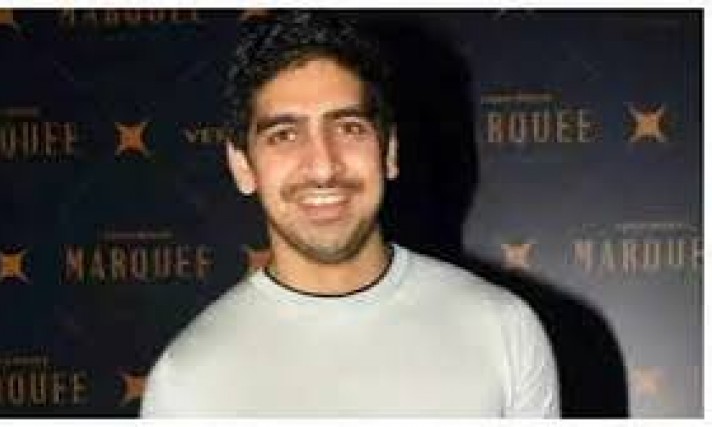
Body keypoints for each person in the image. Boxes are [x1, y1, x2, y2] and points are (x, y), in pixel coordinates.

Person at [141, 11, 559, 417]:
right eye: (285, 135)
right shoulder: (188, 384)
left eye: (348, 128)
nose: (323, 167)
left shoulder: (504, 331)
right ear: (242, 166)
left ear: (389, 151)